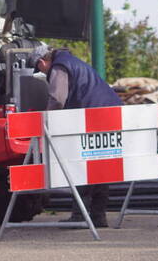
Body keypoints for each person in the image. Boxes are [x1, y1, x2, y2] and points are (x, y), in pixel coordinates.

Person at [32, 42, 121, 228]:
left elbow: (57, 98)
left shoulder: (60, 66)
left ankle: (79, 215)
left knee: (81, 164)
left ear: (42, 62)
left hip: (92, 116)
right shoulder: (72, 61)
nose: (40, 71)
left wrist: (45, 123)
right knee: (101, 163)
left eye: (38, 68)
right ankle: (98, 216)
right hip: (111, 114)